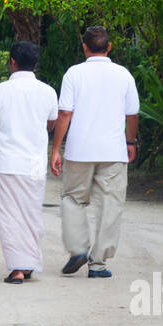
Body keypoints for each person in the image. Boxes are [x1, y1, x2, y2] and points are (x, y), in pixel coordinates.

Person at [50, 25, 139, 279]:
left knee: (72, 199)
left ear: (85, 47)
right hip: (113, 151)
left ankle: (78, 248)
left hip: (80, 150)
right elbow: (131, 114)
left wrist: (56, 149)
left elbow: (65, 113)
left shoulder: (74, 73)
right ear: (109, 47)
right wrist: (130, 143)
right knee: (111, 205)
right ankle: (98, 264)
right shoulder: (124, 75)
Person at [0, 41, 60, 283]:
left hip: (8, 164)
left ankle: (18, 269)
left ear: (12, 62)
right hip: (34, 164)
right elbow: (51, 124)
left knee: (10, 216)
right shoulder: (48, 92)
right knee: (31, 214)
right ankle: (29, 263)